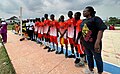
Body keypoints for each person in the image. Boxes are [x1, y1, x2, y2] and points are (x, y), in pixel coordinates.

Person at [80, 6, 107, 74]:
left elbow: (101, 30)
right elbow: (82, 31)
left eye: (85, 11)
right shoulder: (83, 21)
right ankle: (90, 70)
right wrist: (82, 41)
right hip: (86, 43)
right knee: (89, 57)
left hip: (94, 43)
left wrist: (97, 42)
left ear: (89, 12)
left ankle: (100, 72)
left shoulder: (96, 19)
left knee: (97, 58)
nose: (83, 12)